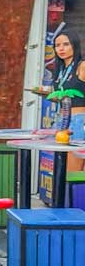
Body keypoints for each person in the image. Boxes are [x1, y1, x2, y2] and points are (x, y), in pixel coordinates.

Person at [30, 29, 85, 174]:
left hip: (79, 121)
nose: (61, 48)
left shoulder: (82, 66)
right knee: (59, 170)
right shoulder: (60, 69)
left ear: (74, 45)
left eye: (66, 44)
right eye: (57, 45)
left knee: (73, 172)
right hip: (61, 121)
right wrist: (45, 94)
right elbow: (64, 96)